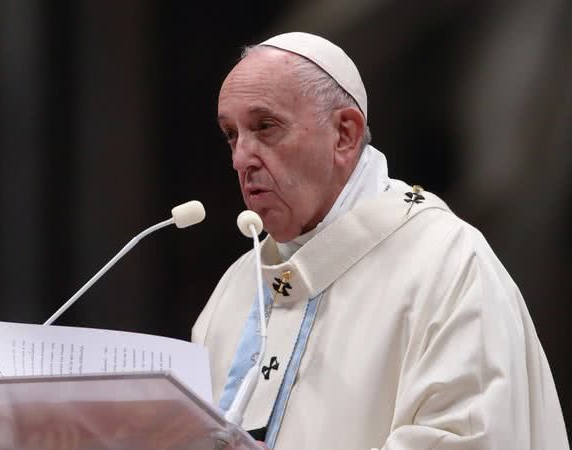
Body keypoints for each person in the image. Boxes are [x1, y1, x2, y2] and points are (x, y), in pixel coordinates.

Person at [192, 32, 568, 450]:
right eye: (231, 134)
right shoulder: (237, 288)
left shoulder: (448, 265)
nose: (241, 157)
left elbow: (469, 440)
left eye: (266, 126)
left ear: (345, 134)